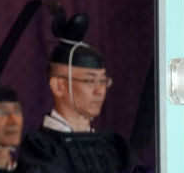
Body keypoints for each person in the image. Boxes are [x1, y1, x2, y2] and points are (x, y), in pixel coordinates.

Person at [17, 12, 134, 173]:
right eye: (89, 81)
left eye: (103, 81)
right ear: (58, 86)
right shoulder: (41, 149)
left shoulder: (113, 145)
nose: (100, 91)